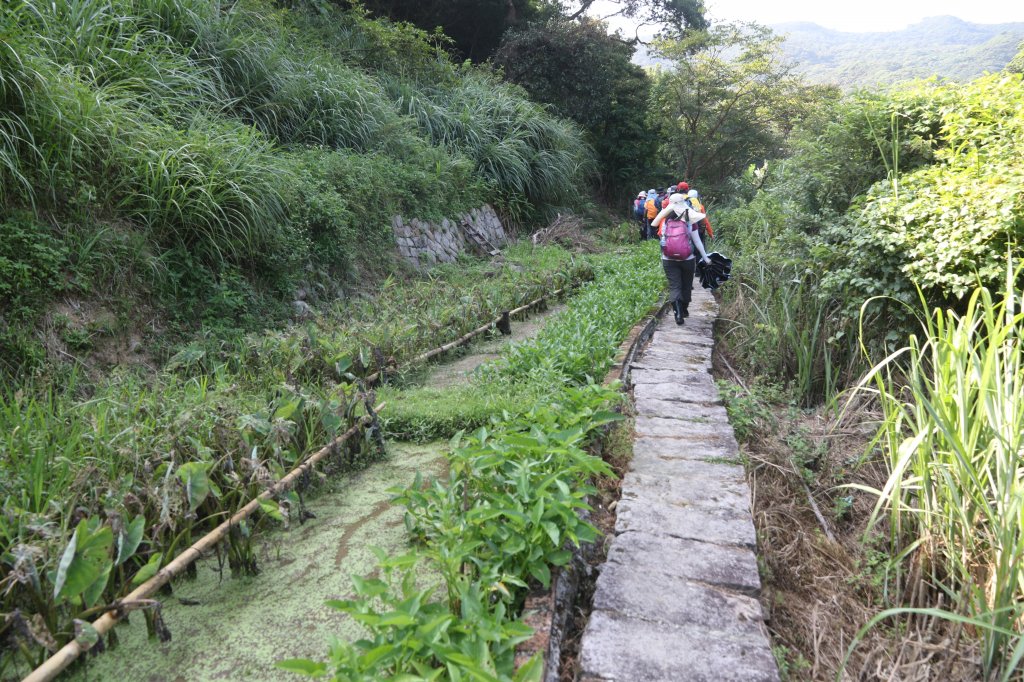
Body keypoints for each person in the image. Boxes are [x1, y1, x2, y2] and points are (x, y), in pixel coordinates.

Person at [651, 193, 711, 325]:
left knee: (674, 286)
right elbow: (697, 241)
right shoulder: (689, 220)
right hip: (688, 259)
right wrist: (705, 257)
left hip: (668, 259)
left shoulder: (664, 220)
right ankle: (683, 309)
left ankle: (677, 313)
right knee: (687, 285)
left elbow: (662, 240)